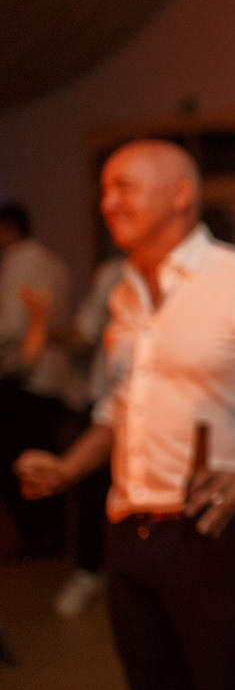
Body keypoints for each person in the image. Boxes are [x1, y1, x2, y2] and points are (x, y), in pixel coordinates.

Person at [14, 139, 235, 690]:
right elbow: (116, 404)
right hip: (128, 535)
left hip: (210, 530)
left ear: (180, 194)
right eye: (104, 188)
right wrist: (70, 467)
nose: (107, 202)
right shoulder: (125, 291)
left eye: (123, 185)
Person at [19, 254, 125, 617]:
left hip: (168, 419)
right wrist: (40, 325)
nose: (113, 205)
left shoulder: (209, 277)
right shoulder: (114, 274)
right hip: (104, 404)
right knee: (96, 496)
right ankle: (90, 573)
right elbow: (84, 333)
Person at [0, 201, 76, 558]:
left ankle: (36, 536)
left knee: (20, 459)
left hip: (25, 375)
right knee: (45, 452)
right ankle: (51, 534)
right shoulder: (55, 262)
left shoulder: (19, 262)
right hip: (53, 375)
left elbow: (10, 326)